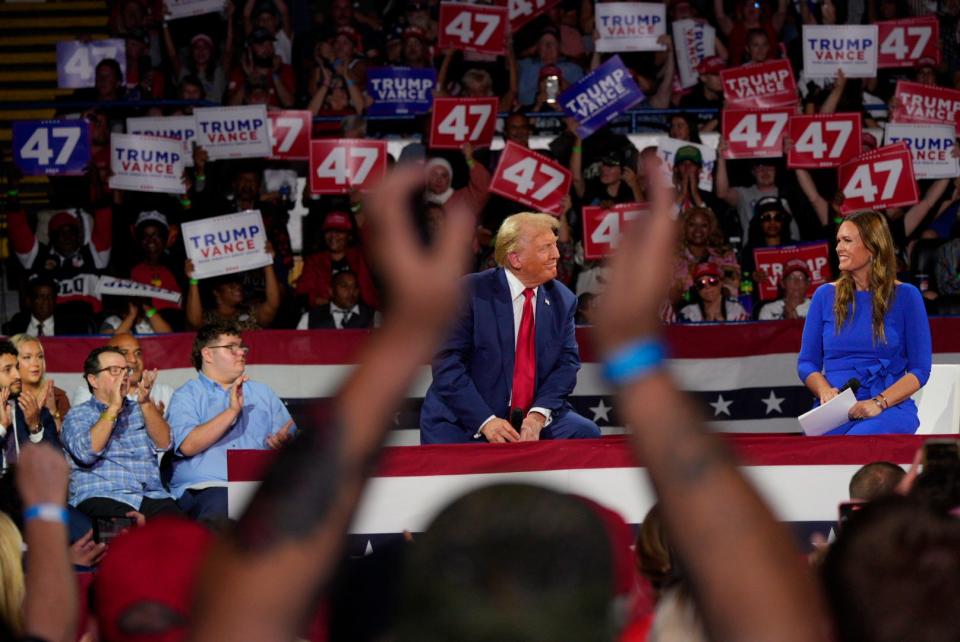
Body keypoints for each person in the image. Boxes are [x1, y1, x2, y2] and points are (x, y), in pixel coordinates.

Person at [419, 212, 600, 444]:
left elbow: (567, 365)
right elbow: (447, 365)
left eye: (554, 245)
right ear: (516, 259)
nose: (556, 254)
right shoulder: (470, 292)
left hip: (528, 417)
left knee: (585, 433)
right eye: (546, 247)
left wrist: (538, 415)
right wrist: (486, 421)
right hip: (467, 418)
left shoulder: (562, 300)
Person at [798, 210, 932, 435]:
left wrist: (879, 402)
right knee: (809, 453)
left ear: (872, 247)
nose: (839, 247)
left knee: (859, 439)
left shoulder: (907, 296)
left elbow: (919, 370)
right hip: (835, 411)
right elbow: (807, 363)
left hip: (888, 407)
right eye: (838, 240)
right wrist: (824, 391)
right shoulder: (823, 296)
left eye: (847, 241)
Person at [166, 323, 295, 521]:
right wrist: (232, 411)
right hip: (208, 488)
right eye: (231, 347)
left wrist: (285, 444)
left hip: (258, 487)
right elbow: (188, 446)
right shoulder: (187, 396)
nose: (241, 352)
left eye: (242, 346)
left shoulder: (263, 393)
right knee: (223, 505)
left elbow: (294, 443)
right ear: (208, 354)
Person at [61, 346, 178, 519]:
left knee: (184, 534)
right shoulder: (79, 414)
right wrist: (114, 407)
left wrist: (145, 403)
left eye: (126, 370)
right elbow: (86, 453)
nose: (124, 376)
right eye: (114, 370)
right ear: (93, 380)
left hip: (150, 497)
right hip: (103, 496)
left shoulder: (141, 410)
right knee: (125, 532)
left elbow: (165, 443)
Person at [71, 333, 175, 415]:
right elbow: (87, 438)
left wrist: (157, 420)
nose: (134, 359)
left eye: (138, 353)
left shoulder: (164, 392)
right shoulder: (89, 394)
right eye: (124, 353)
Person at [0, 341, 59, 472]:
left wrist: (35, 427)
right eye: (8, 369)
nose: (17, 375)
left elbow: (54, 462)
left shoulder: (31, 409)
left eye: (17, 367)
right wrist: (2, 428)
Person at [10, 334, 69, 434]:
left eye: (40, 356)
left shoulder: (58, 396)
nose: (36, 363)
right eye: (27, 357)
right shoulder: (6, 397)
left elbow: (66, 443)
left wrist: (53, 412)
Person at [297, 271, 377, 329]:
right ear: (331, 291)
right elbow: (298, 349)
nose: (351, 291)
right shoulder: (310, 318)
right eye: (344, 286)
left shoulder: (374, 317)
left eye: (355, 287)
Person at [677, 263, 749, 323]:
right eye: (701, 284)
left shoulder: (736, 310)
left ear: (721, 283)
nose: (707, 287)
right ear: (696, 288)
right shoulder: (688, 313)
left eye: (712, 281)